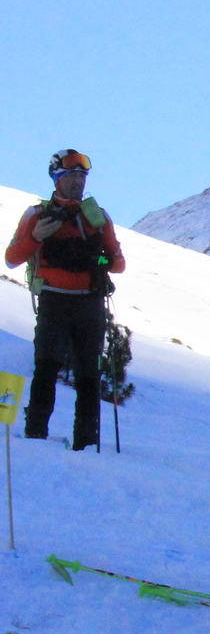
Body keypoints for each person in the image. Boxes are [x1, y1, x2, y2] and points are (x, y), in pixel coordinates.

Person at [4, 149, 125, 449]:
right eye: (72, 175)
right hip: (57, 301)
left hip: (87, 302)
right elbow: (11, 259)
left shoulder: (97, 217)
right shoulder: (36, 216)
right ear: (57, 178)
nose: (78, 181)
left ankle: (83, 441)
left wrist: (99, 263)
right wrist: (37, 237)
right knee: (47, 367)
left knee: (87, 375)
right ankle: (37, 435)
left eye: (82, 175)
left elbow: (119, 263)